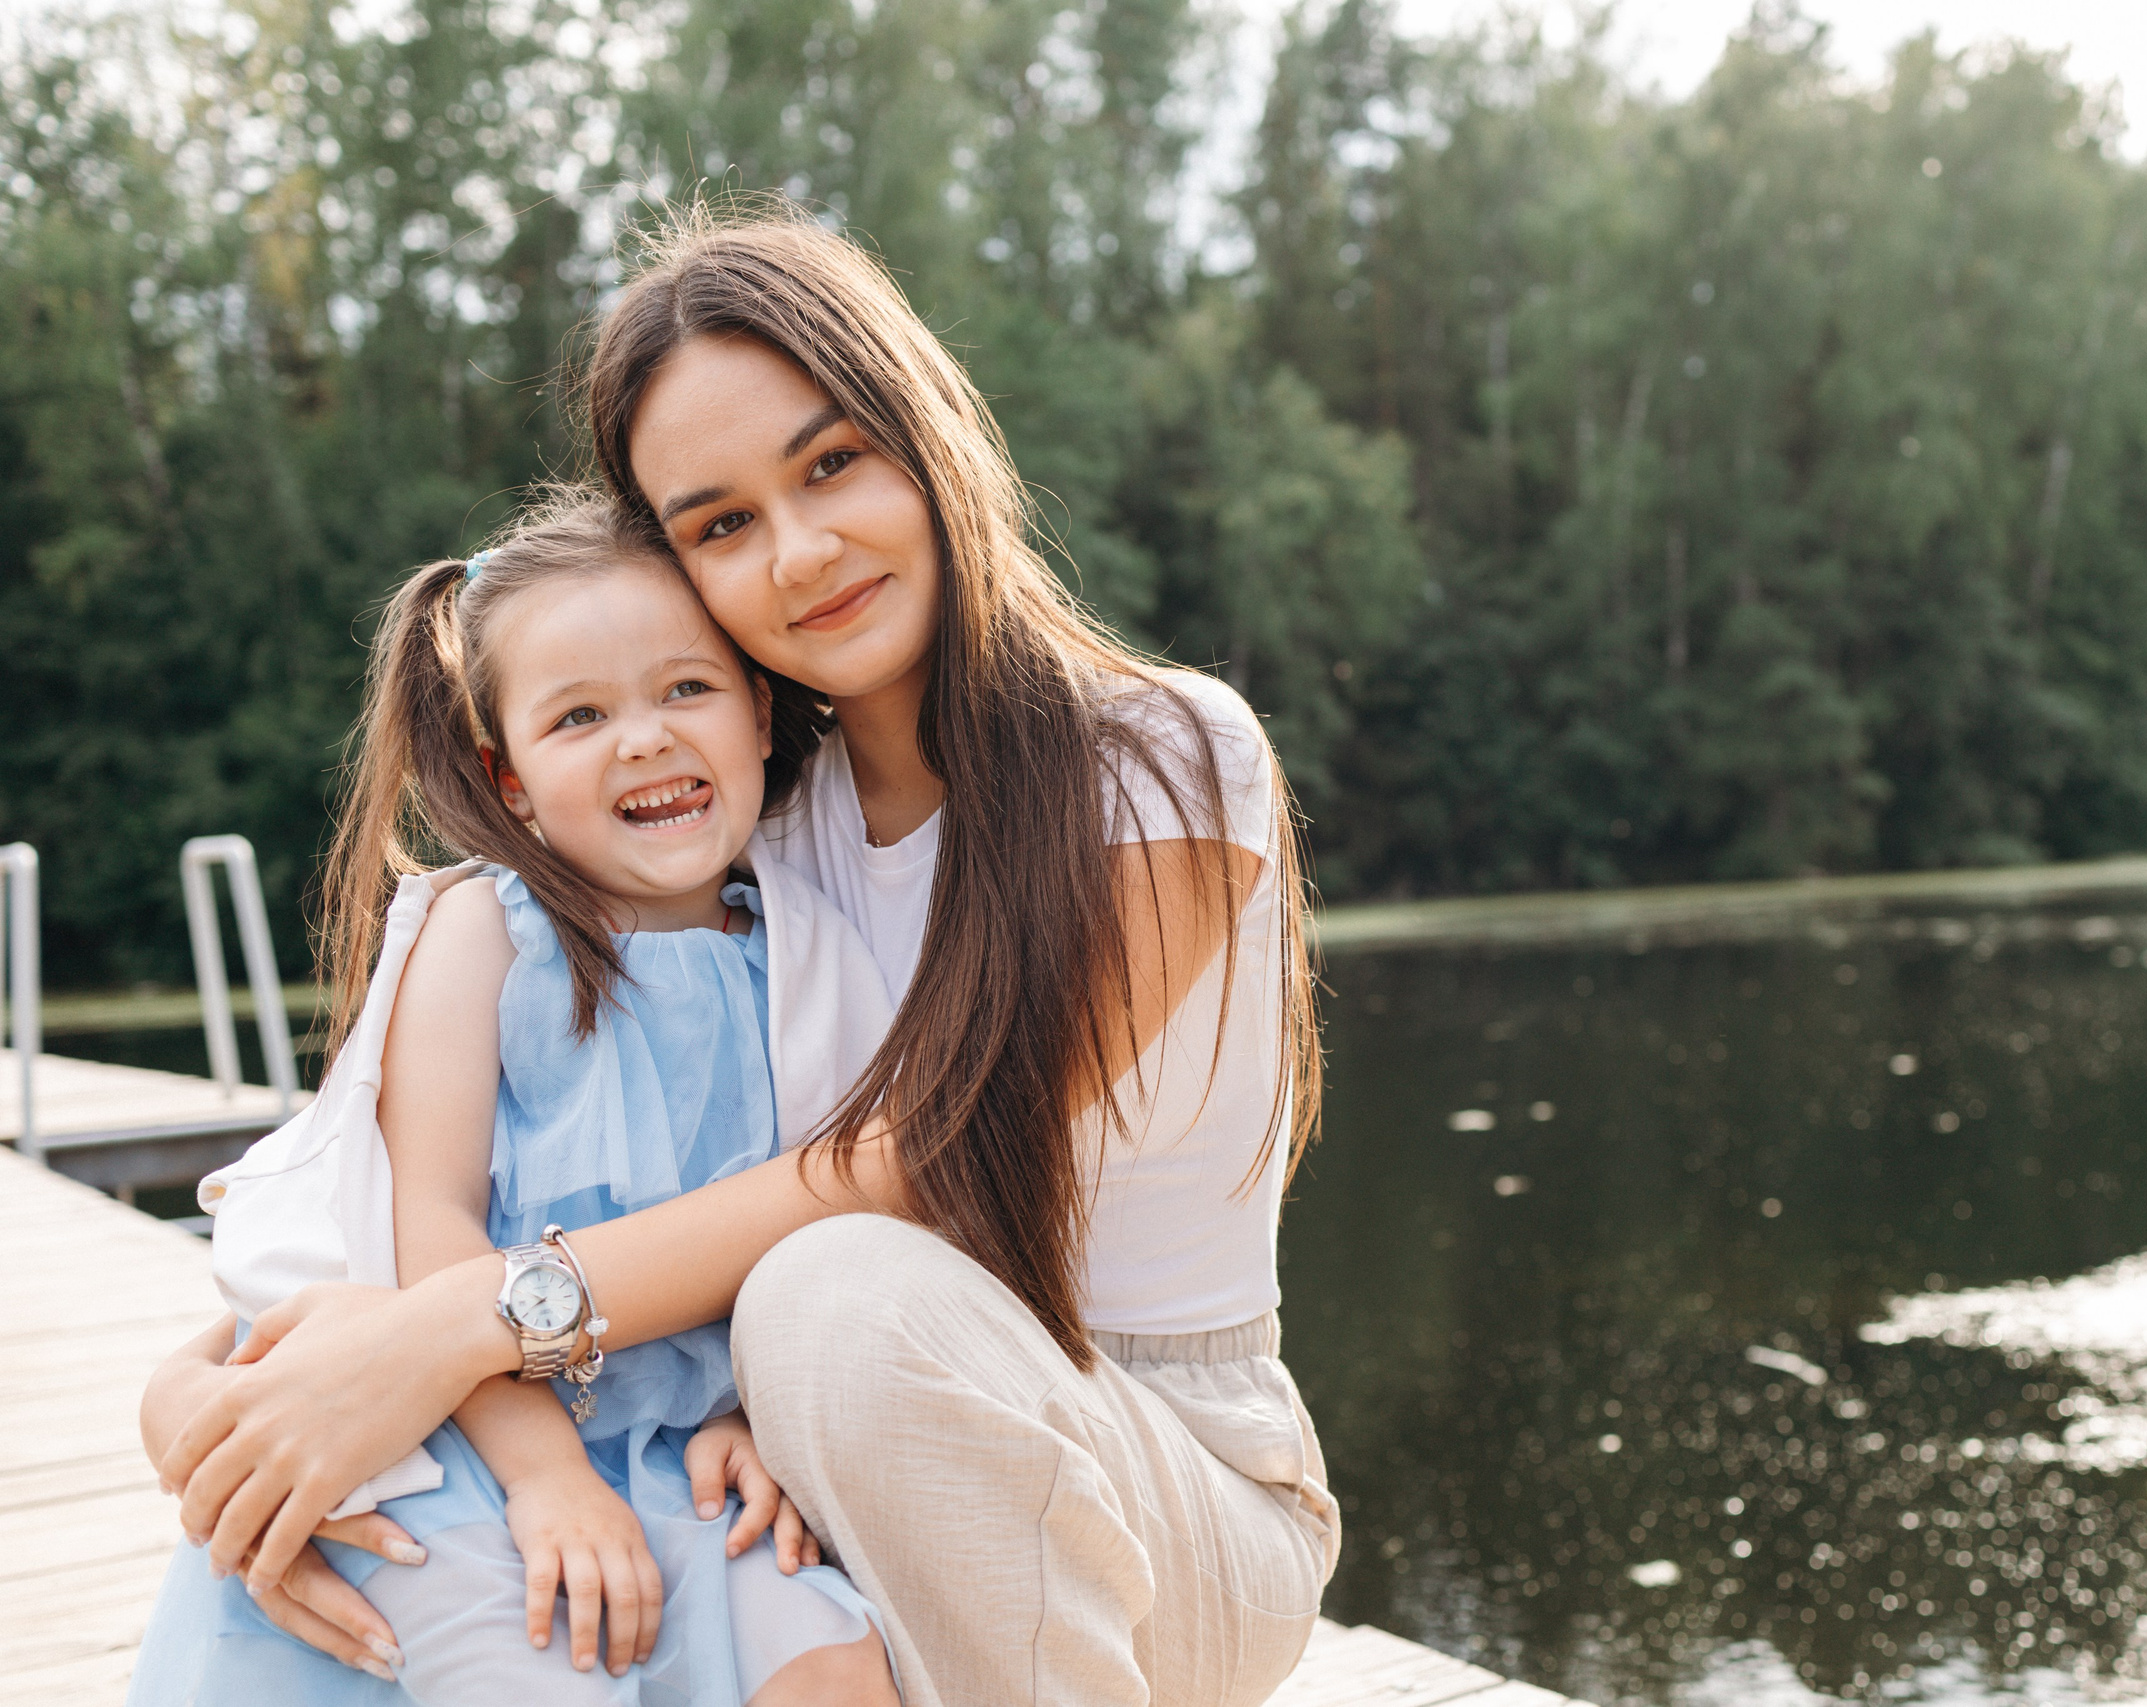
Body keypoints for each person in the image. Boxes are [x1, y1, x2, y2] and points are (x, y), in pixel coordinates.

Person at [145, 206, 1339, 1707]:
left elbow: (938, 1164)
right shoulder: (747, 848)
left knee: (831, 1299)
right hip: (806, 1447)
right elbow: (406, 1191)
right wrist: (210, 1405)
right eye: (719, 523)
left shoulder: (1159, 762)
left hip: (1167, 1487)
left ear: (928, 433)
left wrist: (458, 1327)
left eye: (833, 461)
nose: (801, 550)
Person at [129, 496, 900, 1705]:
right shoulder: (483, 934)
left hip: (687, 1450)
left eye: (685, 689)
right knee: (537, 1668)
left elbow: (829, 1228)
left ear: (759, 713)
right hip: (469, 1427)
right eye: (580, 716)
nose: (640, 739)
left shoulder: (809, 957)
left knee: (833, 1667)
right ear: (513, 776)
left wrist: (770, 1417)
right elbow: (428, 1221)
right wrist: (544, 1474)